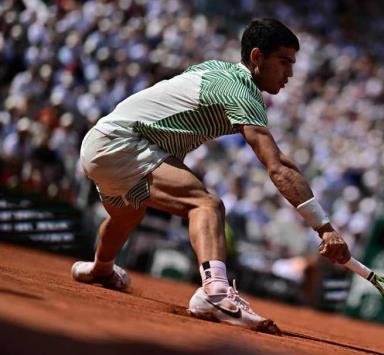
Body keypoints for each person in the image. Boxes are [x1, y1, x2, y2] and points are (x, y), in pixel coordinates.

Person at [71, 18, 351, 332]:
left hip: (101, 142)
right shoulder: (242, 91)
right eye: (284, 62)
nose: (290, 73)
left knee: (127, 215)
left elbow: (278, 160)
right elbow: (278, 168)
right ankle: (215, 293)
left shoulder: (217, 70)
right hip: (122, 144)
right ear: (257, 57)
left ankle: (100, 268)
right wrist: (324, 228)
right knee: (206, 204)